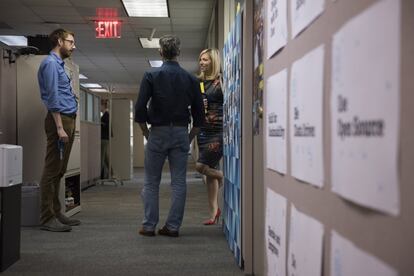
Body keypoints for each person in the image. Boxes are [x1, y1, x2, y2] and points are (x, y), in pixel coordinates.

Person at [135, 35, 205, 237]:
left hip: (158, 131)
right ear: (179, 53)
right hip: (181, 132)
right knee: (178, 182)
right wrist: (189, 137)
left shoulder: (150, 75)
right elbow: (199, 115)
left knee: (151, 181)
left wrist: (147, 132)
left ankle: (149, 226)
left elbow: (140, 108)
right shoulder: (191, 79)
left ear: (160, 52)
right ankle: (173, 227)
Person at [37, 28, 81, 232]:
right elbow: (52, 97)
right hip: (60, 121)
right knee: (51, 170)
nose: (73, 46)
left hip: (67, 119)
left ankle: (56, 212)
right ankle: (47, 218)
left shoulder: (60, 65)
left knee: (60, 170)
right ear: (59, 41)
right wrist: (60, 127)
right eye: (70, 42)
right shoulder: (50, 64)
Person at [195, 48, 224, 225]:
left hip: (218, 129)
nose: (202, 62)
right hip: (204, 131)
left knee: (200, 166)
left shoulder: (221, 81)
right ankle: (214, 212)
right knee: (208, 174)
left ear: (213, 61)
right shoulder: (199, 82)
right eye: (200, 60)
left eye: (205, 60)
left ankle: (222, 176)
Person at [100, 100, 111, 179]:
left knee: (102, 157)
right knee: (105, 157)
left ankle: (99, 175)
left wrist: (100, 123)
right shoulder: (105, 114)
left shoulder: (106, 114)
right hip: (105, 138)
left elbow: (107, 126)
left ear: (103, 105)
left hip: (104, 138)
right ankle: (112, 173)